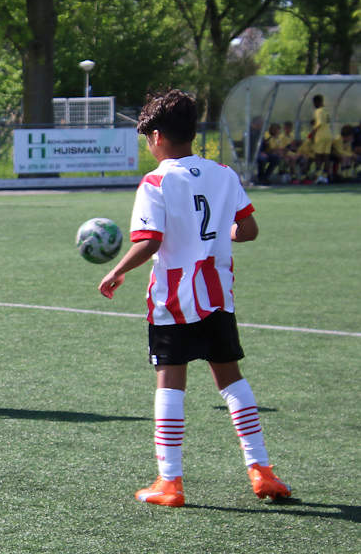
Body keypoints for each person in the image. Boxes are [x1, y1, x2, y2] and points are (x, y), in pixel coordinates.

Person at [98, 89, 291, 508]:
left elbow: (150, 242)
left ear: (156, 136)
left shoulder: (156, 181)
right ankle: (261, 470)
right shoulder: (224, 174)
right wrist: (219, 234)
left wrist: (117, 270)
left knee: (170, 382)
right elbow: (249, 230)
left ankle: (170, 481)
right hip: (217, 295)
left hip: (174, 298)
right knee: (232, 380)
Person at [309, 94, 333, 183]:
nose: (314, 105)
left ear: (317, 102)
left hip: (320, 135)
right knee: (326, 157)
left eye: (314, 103)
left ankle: (318, 176)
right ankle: (325, 177)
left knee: (318, 156)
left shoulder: (318, 111)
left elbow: (319, 123)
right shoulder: (326, 111)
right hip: (329, 135)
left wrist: (312, 132)